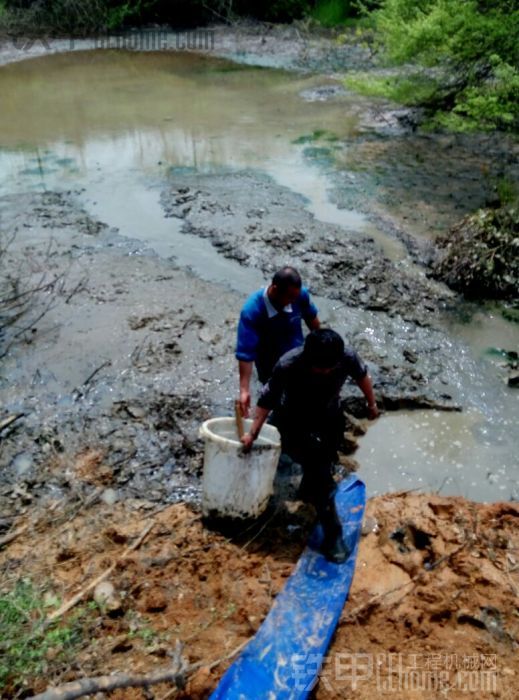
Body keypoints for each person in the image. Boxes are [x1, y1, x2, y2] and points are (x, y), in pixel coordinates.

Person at [241, 328, 379, 564]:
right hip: (291, 417)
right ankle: (330, 533)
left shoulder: (346, 356)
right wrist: (252, 433)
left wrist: (372, 403)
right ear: (307, 357)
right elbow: (267, 399)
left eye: (330, 368)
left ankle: (320, 510)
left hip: (327, 416)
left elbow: (362, 376)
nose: (325, 371)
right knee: (288, 464)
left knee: (323, 469)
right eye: (320, 367)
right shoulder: (288, 364)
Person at [235, 266, 320, 418]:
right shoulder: (252, 311)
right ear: (275, 289)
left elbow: (312, 320)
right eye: (289, 298)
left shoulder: (300, 296)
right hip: (269, 362)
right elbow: (246, 354)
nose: (293, 302)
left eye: (296, 297)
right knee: (275, 398)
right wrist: (244, 390)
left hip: (297, 353)